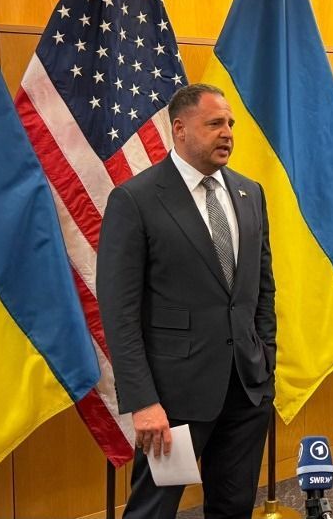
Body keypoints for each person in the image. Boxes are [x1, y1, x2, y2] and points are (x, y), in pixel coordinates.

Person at [97, 84, 276, 519]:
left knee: (233, 507)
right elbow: (119, 313)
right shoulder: (135, 200)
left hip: (246, 393)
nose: (228, 132)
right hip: (172, 403)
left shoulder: (250, 193)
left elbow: (262, 290)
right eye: (214, 123)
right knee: (154, 511)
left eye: (230, 123)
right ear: (180, 129)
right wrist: (143, 401)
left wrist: (266, 362)